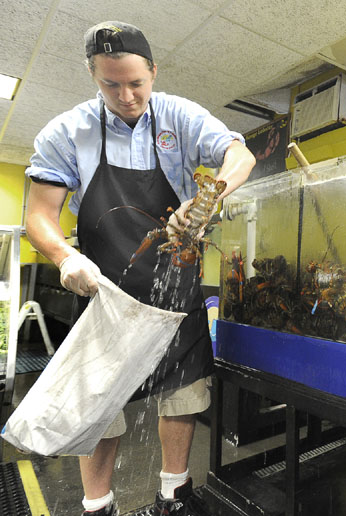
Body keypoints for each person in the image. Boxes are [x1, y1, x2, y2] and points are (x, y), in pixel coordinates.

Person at [24, 21, 255, 516]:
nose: (126, 95)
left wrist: (212, 193)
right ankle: (97, 504)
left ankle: (174, 493)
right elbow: (38, 217)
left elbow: (240, 154)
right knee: (100, 408)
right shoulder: (67, 132)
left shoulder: (180, 116)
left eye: (136, 82)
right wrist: (65, 259)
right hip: (105, 291)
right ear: (93, 77)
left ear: (153, 71)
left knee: (184, 394)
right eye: (111, 84)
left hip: (176, 287)